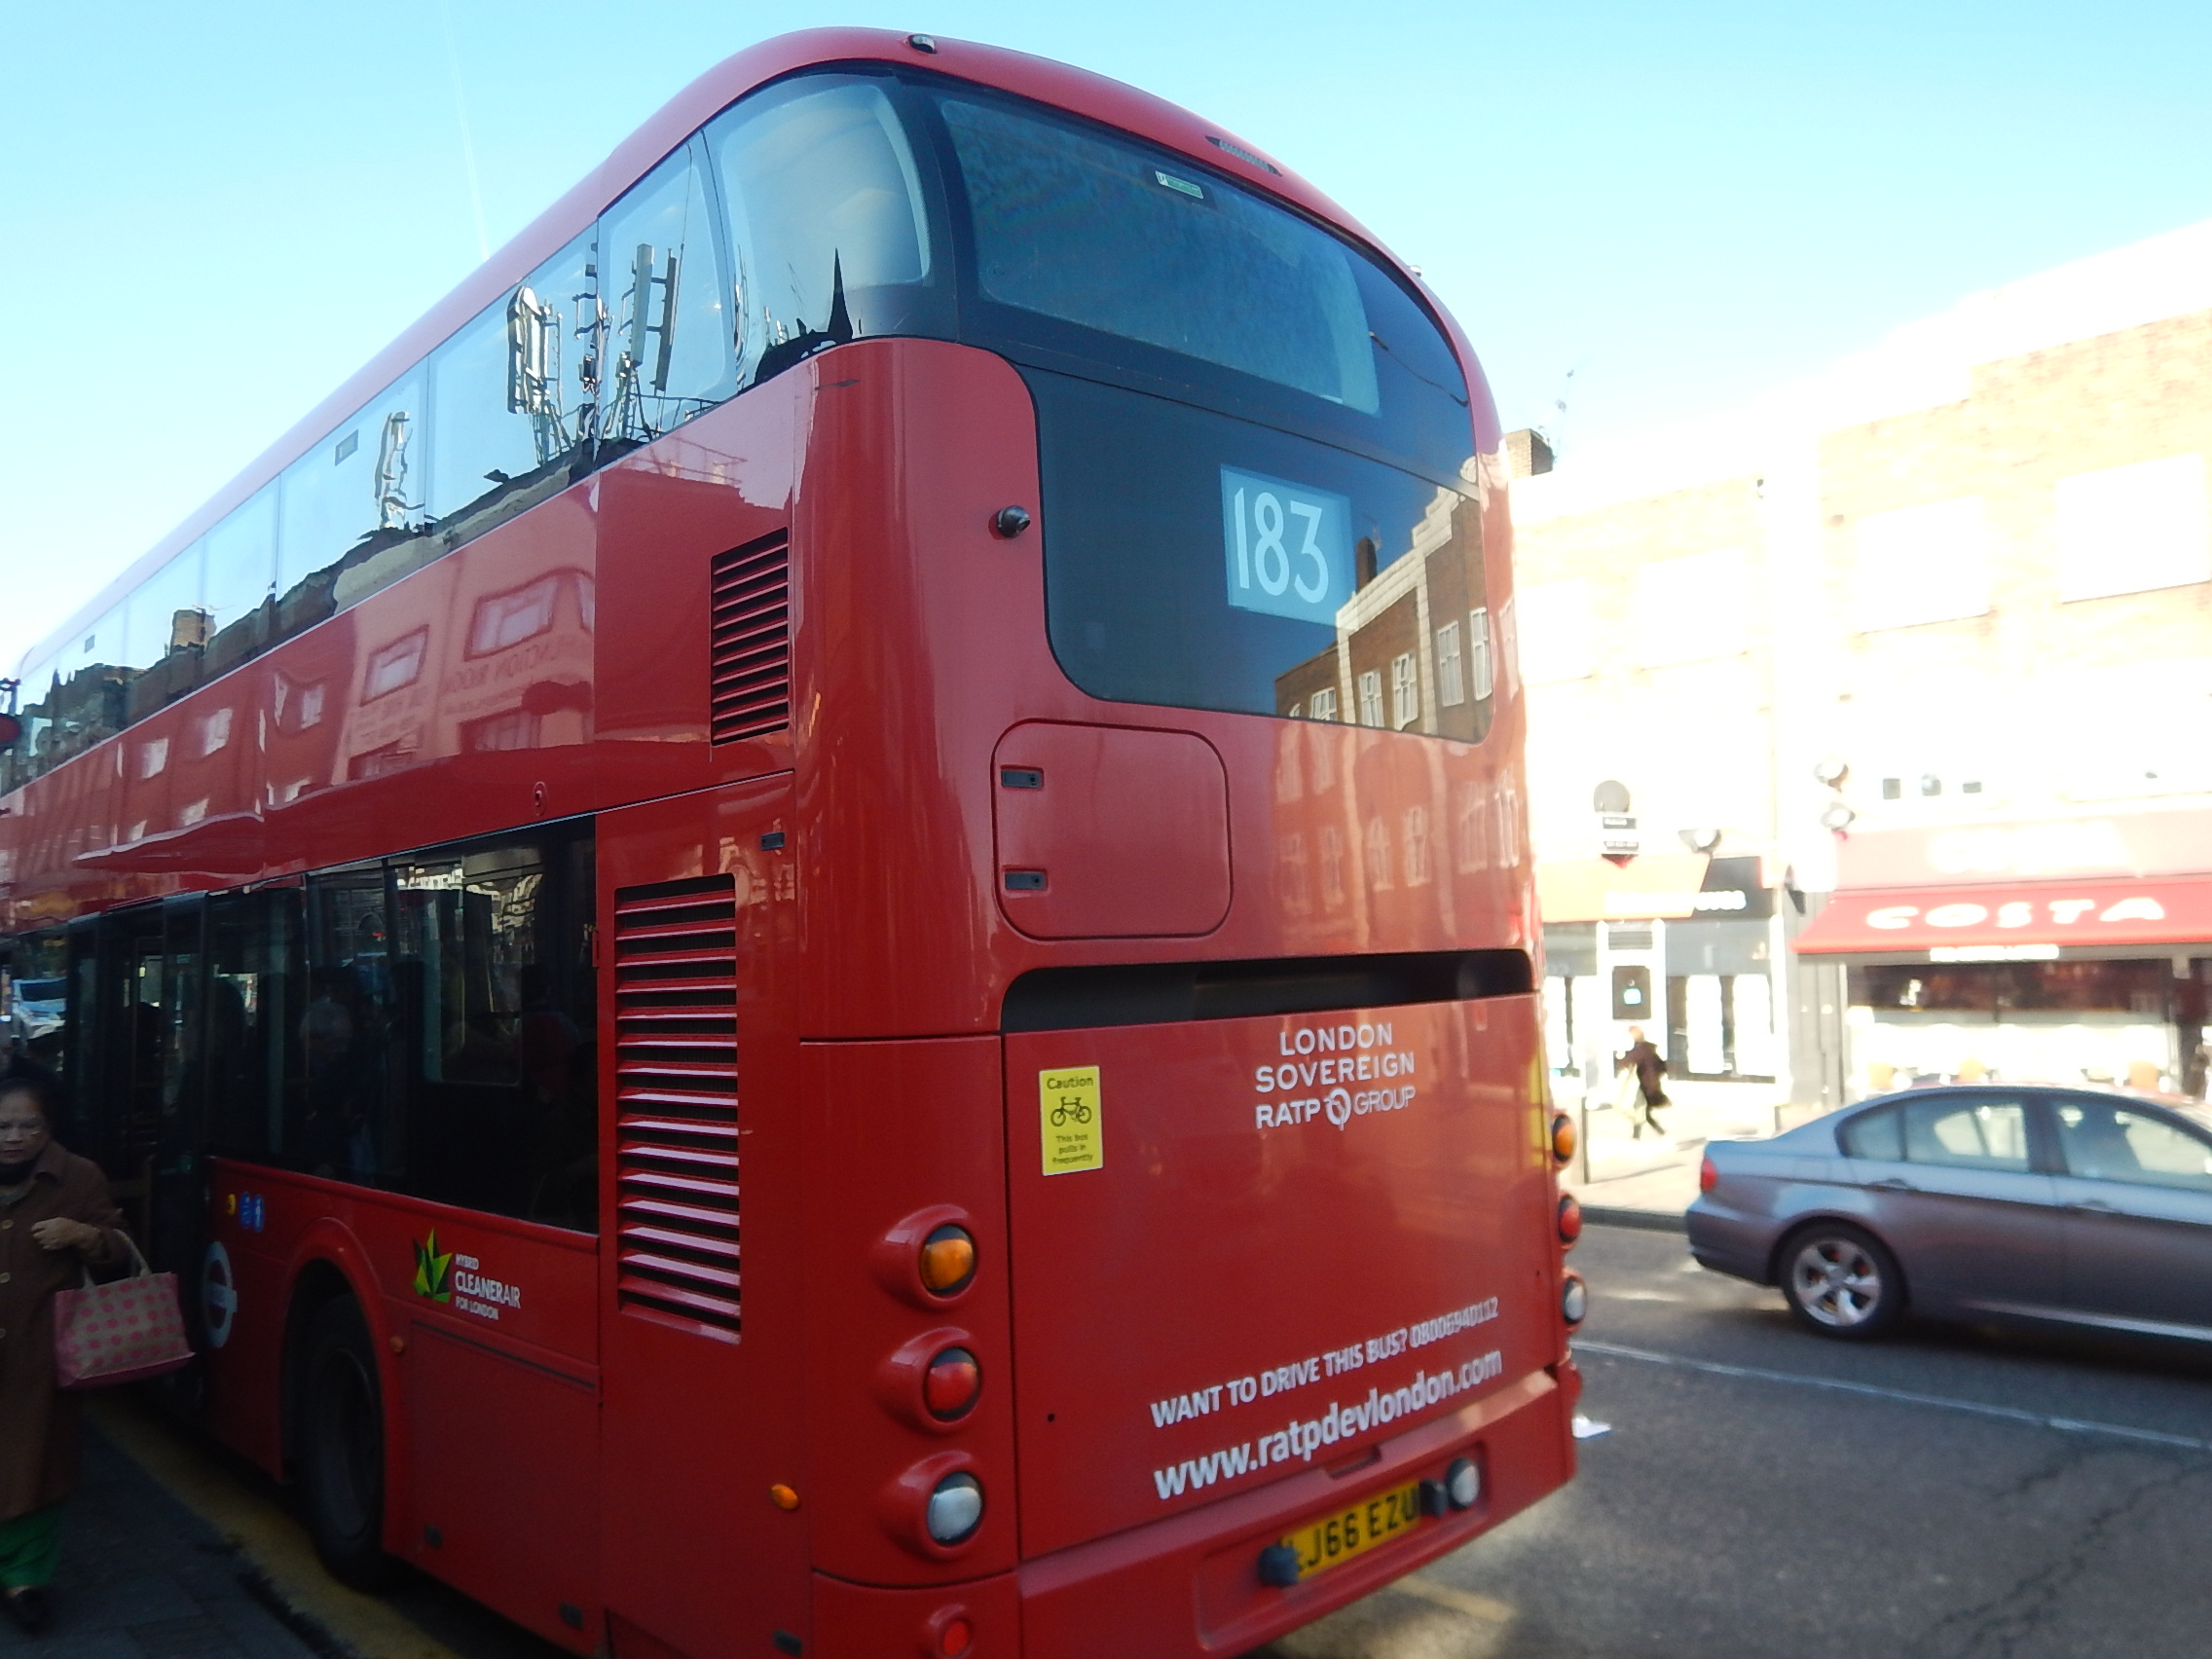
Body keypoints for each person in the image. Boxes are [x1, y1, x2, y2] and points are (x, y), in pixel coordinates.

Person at [0, 1070, 129, 1633]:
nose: (15, 1137)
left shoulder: (78, 1176)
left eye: (29, 1125)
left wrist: (83, 1236)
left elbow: (120, 1247)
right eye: (3, 1126)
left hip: (40, 1354)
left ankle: (25, 1579)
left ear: (49, 1127)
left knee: (37, 1467)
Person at [1617, 1025, 1670, 1140]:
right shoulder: (1649, 1050)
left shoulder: (1639, 1051)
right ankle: (1637, 1136)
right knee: (1641, 1111)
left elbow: (1625, 1063)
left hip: (1645, 1088)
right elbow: (1662, 1066)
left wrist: (1619, 1057)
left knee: (1642, 1112)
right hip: (1651, 1085)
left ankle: (1661, 1134)